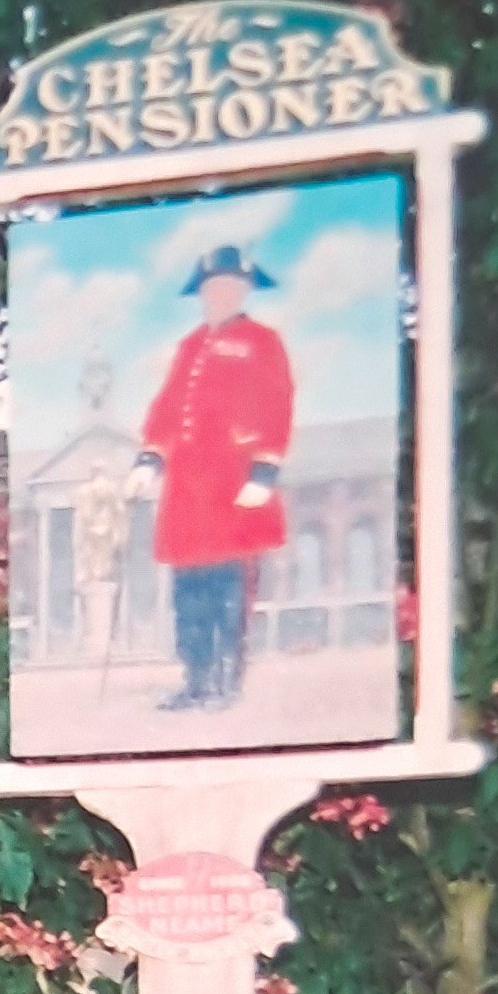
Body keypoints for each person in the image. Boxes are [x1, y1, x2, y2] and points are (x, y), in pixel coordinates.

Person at [127, 244, 294, 712]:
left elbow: (276, 404)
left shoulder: (263, 342)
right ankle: (197, 680)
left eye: (229, 286)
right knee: (189, 596)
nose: (220, 294)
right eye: (212, 288)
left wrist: (264, 470)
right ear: (202, 294)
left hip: (233, 490)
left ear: (243, 290)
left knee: (229, 593)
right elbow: (166, 408)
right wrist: (148, 460)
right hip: (187, 494)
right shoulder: (189, 346)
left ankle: (226, 682)